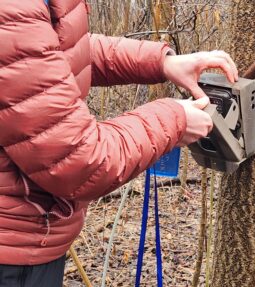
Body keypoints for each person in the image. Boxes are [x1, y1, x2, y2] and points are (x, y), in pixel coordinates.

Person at [0, 1, 238, 286]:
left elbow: (55, 51)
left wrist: (161, 61)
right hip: (14, 251)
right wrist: (173, 119)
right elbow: (79, 160)